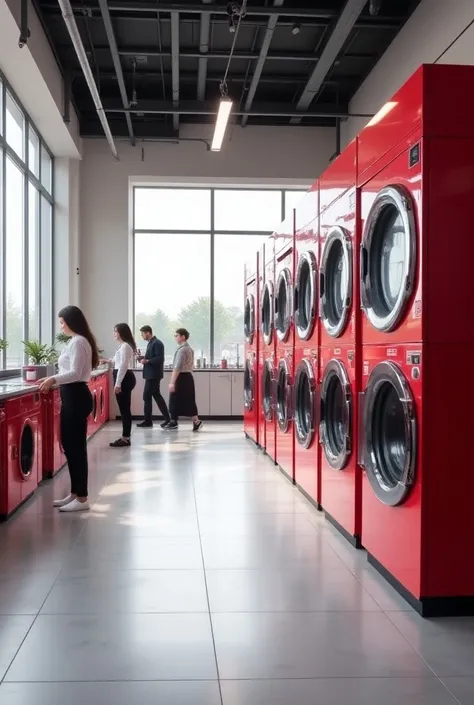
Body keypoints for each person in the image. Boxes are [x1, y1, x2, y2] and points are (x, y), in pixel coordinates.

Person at [38, 306, 99, 512]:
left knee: (76, 448)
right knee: (70, 446)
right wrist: (52, 379)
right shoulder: (76, 341)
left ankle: (82, 499)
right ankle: (75, 493)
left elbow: (75, 372)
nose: (61, 326)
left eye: (63, 322)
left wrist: (53, 378)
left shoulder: (79, 341)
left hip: (76, 396)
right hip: (71, 395)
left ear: (72, 321)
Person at [167, 328, 202, 432]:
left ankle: (173, 421)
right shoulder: (189, 348)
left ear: (183, 336)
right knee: (188, 400)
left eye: (176, 335)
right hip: (188, 377)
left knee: (174, 398)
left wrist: (172, 382)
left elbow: (177, 367)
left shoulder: (182, 350)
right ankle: (196, 421)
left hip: (181, 377)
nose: (175, 337)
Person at [108, 323, 137, 447]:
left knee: (124, 410)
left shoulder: (125, 346)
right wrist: (105, 360)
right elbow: (116, 361)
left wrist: (118, 383)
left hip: (124, 378)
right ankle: (125, 437)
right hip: (124, 378)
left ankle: (125, 438)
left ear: (121, 332)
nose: (114, 334)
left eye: (115, 331)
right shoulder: (123, 346)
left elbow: (123, 365)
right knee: (124, 408)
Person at [136, 325, 170, 428]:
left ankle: (148, 421)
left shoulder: (157, 343)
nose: (142, 336)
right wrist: (141, 357)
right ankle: (167, 419)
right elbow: (151, 358)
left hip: (154, 375)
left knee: (146, 396)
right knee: (156, 395)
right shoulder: (151, 343)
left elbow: (159, 359)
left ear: (148, 333)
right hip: (151, 374)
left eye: (142, 334)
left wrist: (147, 361)